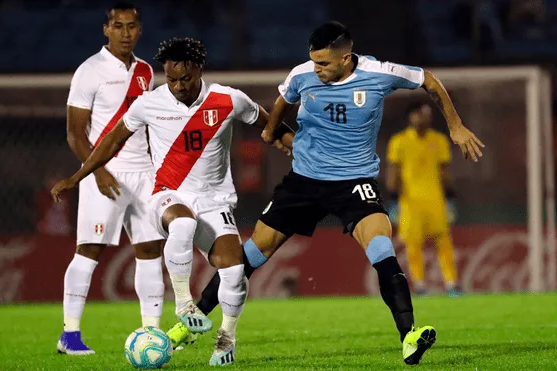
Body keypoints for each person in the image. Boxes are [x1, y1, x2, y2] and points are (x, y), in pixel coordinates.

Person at [167, 21, 484, 365]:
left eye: (324, 64)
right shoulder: (302, 74)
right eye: (313, 61)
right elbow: (282, 101)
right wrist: (272, 132)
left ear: (346, 58)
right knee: (250, 257)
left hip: (355, 183)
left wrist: (455, 125)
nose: (315, 69)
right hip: (304, 181)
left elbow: (428, 80)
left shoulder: (379, 73)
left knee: (382, 248)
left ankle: (409, 336)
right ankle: (188, 325)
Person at [51, 37, 293, 366]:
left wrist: (294, 144)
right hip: (167, 194)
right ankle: (183, 304)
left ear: (198, 70)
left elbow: (268, 123)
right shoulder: (149, 103)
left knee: (234, 271)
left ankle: (226, 339)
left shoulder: (228, 99)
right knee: (182, 222)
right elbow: (111, 142)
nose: (178, 86)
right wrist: (77, 177)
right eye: (172, 79)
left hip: (215, 200)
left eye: (185, 79)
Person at [57, 2, 165, 355]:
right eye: (118, 26)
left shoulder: (147, 71)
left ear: (140, 28)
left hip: (144, 172)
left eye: (131, 26)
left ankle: (151, 333)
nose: (125, 33)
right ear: (106, 29)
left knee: (150, 250)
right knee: (89, 250)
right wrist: (98, 170)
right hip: (105, 170)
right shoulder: (89, 71)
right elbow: (75, 134)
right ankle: (69, 334)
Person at [386, 103, 461, 297]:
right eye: (420, 114)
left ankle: (452, 284)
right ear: (410, 117)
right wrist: (393, 199)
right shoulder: (399, 141)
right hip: (409, 202)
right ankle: (419, 285)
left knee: (443, 242)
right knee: (412, 245)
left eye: (427, 115)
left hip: (435, 199)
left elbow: (445, 171)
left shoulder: (439, 140)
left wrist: (450, 197)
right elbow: (394, 172)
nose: (425, 118)